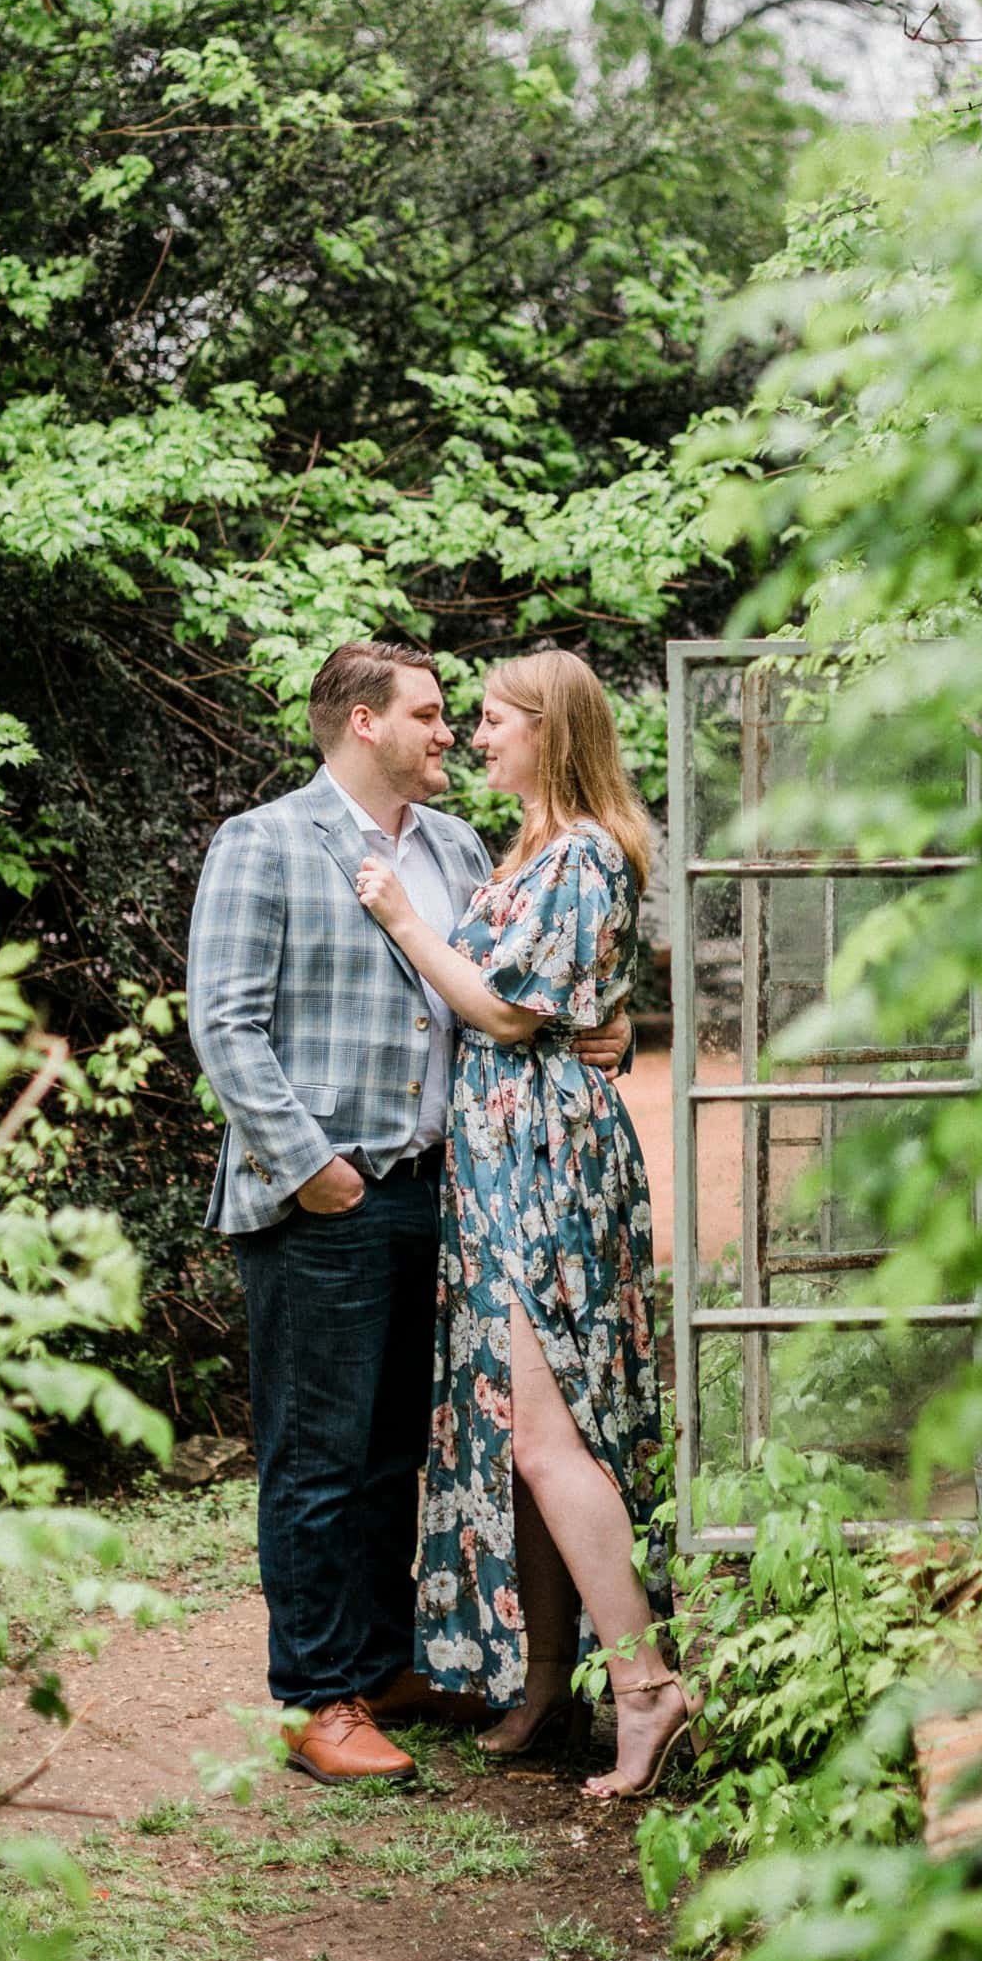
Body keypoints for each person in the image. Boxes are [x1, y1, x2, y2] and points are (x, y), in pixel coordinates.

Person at [186, 638, 631, 1786]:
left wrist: (600, 1033)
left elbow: (506, 996)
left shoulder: (456, 845)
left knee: (399, 1452)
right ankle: (315, 1696)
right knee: (315, 1456)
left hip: (447, 1192)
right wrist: (309, 1166)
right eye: (430, 714)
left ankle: (382, 1664)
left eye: (459, 716)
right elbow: (225, 1024)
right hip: (321, 1196)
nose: (449, 734)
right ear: (362, 723)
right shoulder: (267, 842)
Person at [351, 647, 691, 1801]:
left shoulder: (586, 852)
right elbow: (576, 1005)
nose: (473, 737)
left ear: (550, 730)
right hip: (504, 1157)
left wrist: (400, 916)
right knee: (519, 1439)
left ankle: (644, 1688)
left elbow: (504, 1009)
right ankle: (548, 1679)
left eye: (491, 720)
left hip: (544, 1162)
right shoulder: (536, 849)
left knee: (550, 1434)